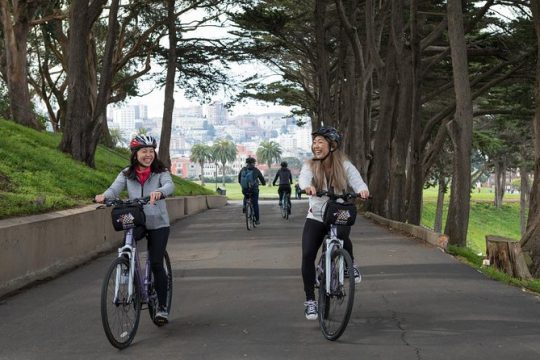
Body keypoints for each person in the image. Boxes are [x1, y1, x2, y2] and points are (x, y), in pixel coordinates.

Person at [94, 134, 175, 325]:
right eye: (144, 151)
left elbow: (170, 185)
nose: (148, 155)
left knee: (156, 263)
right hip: (136, 219)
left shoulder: (160, 171)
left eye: (151, 151)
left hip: (158, 223)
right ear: (135, 153)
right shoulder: (126, 173)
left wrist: (160, 192)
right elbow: (114, 189)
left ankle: (162, 308)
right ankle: (127, 274)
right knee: (126, 247)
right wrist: (104, 196)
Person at [298, 126, 369, 320]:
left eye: (321, 141)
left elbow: (357, 181)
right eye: (314, 142)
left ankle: (349, 264)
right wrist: (308, 187)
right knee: (307, 255)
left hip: (337, 211)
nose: (316, 145)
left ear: (332, 145)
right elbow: (303, 179)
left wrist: (362, 190)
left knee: (343, 232)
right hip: (317, 215)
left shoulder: (344, 164)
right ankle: (311, 301)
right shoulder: (310, 164)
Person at [238, 157, 266, 225]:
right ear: (253, 163)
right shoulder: (256, 170)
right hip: (254, 190)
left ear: (247, 163)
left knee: (246, 195)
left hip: (245, 189)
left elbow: (239, 179)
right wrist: (263, 183)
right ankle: (257, 220)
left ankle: (245, 206)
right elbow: (262, 180)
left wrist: (243, 184)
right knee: (255, 203)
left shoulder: (243, 170)